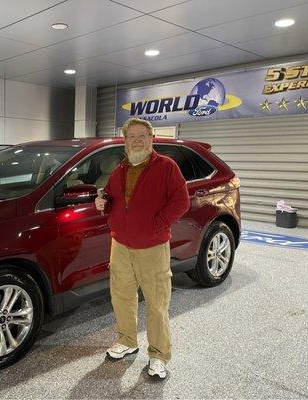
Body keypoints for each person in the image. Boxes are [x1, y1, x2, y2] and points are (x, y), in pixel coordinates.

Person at [95, 118, 190, 379]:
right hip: (121, 244)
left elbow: (181, 201)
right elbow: (112, 198)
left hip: (153, 246)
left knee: (157, 302)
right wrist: (102, 202)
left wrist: (156, 225)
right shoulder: (121, 169)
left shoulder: (166, 167)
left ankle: (159, 355)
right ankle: (127, 341)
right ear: (125, 142)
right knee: (122, 296)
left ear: (151, 138)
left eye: (141, 135)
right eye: (131, 136)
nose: (136, 140)